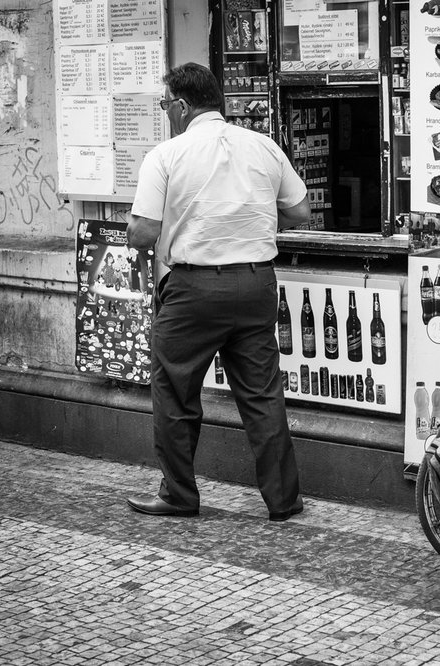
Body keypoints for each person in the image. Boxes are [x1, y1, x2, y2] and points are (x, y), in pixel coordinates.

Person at [126, 63, 310, 521]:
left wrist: (164, 223)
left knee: (175, 393)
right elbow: (300, 210)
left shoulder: (167, 154)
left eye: (165, 103)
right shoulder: (263, 146)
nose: (165, 111)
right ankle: (284, 501)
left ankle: (179, 496)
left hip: (194, 290)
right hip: (255, 283)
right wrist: (256, 223)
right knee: (263, 394)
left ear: (183, 106)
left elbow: (142, 233)